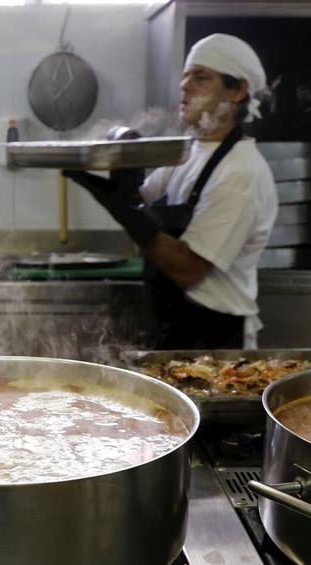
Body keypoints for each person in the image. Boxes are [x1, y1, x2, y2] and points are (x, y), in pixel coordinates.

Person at [66, 34, 277, 349]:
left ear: (237, 91)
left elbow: (187, 268)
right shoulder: (189, 150)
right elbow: (140, 199)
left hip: (214, 339)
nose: (185, 85)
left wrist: (121, 209)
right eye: (186, 76)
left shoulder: (240, 173)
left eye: (201, 77)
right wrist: (122, 175)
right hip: (174, 327)